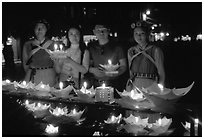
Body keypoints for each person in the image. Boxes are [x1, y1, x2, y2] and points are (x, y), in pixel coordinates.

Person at [126, 20, 165, 91]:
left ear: (147, 34)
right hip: (135, 85)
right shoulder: (131, 51)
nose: (139, 36)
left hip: (151, 84)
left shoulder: (155, 50)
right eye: (136, 33)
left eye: (142, 33)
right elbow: (130, 71)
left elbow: (161, 72)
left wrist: (160, 87)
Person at [88, 23, 127, 91]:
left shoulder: (117, 47)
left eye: (104, 30)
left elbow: (123, 66)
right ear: (94, 32)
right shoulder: (92, 47)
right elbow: (89, 65)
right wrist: (93, 70)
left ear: (108, 31)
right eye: (98, 30)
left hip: (113, 84)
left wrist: (115, 73)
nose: (101, 32)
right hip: (96, 84)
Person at [22, 19, 56, 86]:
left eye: (42, 27)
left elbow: (57, 63)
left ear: (46, 30)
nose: (39, 30)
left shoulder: (52, 44)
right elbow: (25, 63)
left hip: (49, 75)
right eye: (37, 27)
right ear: (34, 30)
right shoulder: (28, 45)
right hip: (33, 75)